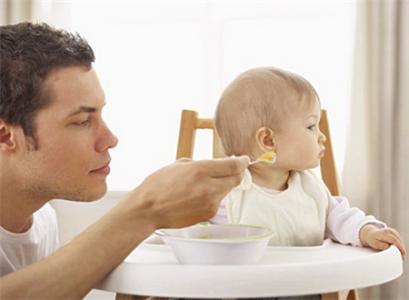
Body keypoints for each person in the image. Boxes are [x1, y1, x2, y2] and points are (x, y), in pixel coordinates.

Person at [0, 22, 249, 299]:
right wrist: (144, 209)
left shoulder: (42, 221)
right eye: (82, 121)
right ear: (5, 135)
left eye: (99, 116)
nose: (110, 139)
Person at [212, 67, 406, 255]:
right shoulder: (227, 194)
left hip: (308, 286)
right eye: (311, 126)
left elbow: (342, 218)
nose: (322, 137)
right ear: (268, 141)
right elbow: (192, 231)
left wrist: (367, 232)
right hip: (247, 287)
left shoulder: (310, 188)